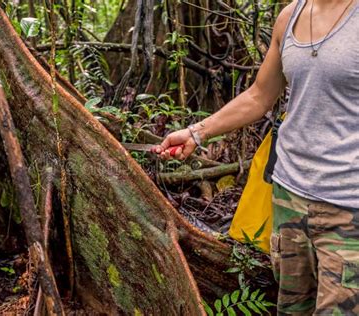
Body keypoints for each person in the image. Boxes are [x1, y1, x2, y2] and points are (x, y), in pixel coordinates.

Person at [154, 0, 359, 314]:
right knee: (292, 308)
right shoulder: (290, 17)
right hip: (289, 196)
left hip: (348, 205)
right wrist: (197, 132)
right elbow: (260, 95)